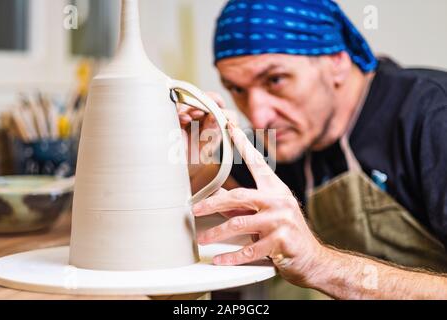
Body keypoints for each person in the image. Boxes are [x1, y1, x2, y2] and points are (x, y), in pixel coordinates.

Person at [179, 0, 447, 299]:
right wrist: (191, 163)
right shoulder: (278, 138)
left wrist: (320, 265)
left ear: (337, 62)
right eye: (238, 90)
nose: (258, 116)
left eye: (275, 80)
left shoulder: (432, 116)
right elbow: (219, 193)